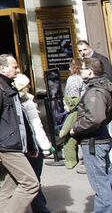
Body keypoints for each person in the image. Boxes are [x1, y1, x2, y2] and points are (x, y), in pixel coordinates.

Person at [0, 54, 39, 213]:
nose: (18, 70)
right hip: (7, 146)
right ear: (3, 68)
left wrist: (30, 145)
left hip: (14, 144)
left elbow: (20, 119)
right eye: (15, 67)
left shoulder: (9, 87)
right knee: (31, 184)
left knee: (8, 188)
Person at [70, 57, 112, 212]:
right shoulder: (101, 87)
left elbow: (95, 118)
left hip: (94, 141)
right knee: (105, 179)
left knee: (100, 184)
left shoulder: (95, 91)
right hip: (99, 139)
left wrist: (76, 129)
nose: (79, 71)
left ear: (90, 71)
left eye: (82, 68)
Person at [13, 74, 52, 213]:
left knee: (27, 180)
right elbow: (36, 126)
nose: (29, 86)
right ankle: (40, 209)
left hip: (18, 145)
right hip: (32, 146)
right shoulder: (28, 102)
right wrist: (46, 147)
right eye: (27, 84)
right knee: (34, 180)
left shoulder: (11, 101)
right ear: (24, 87)